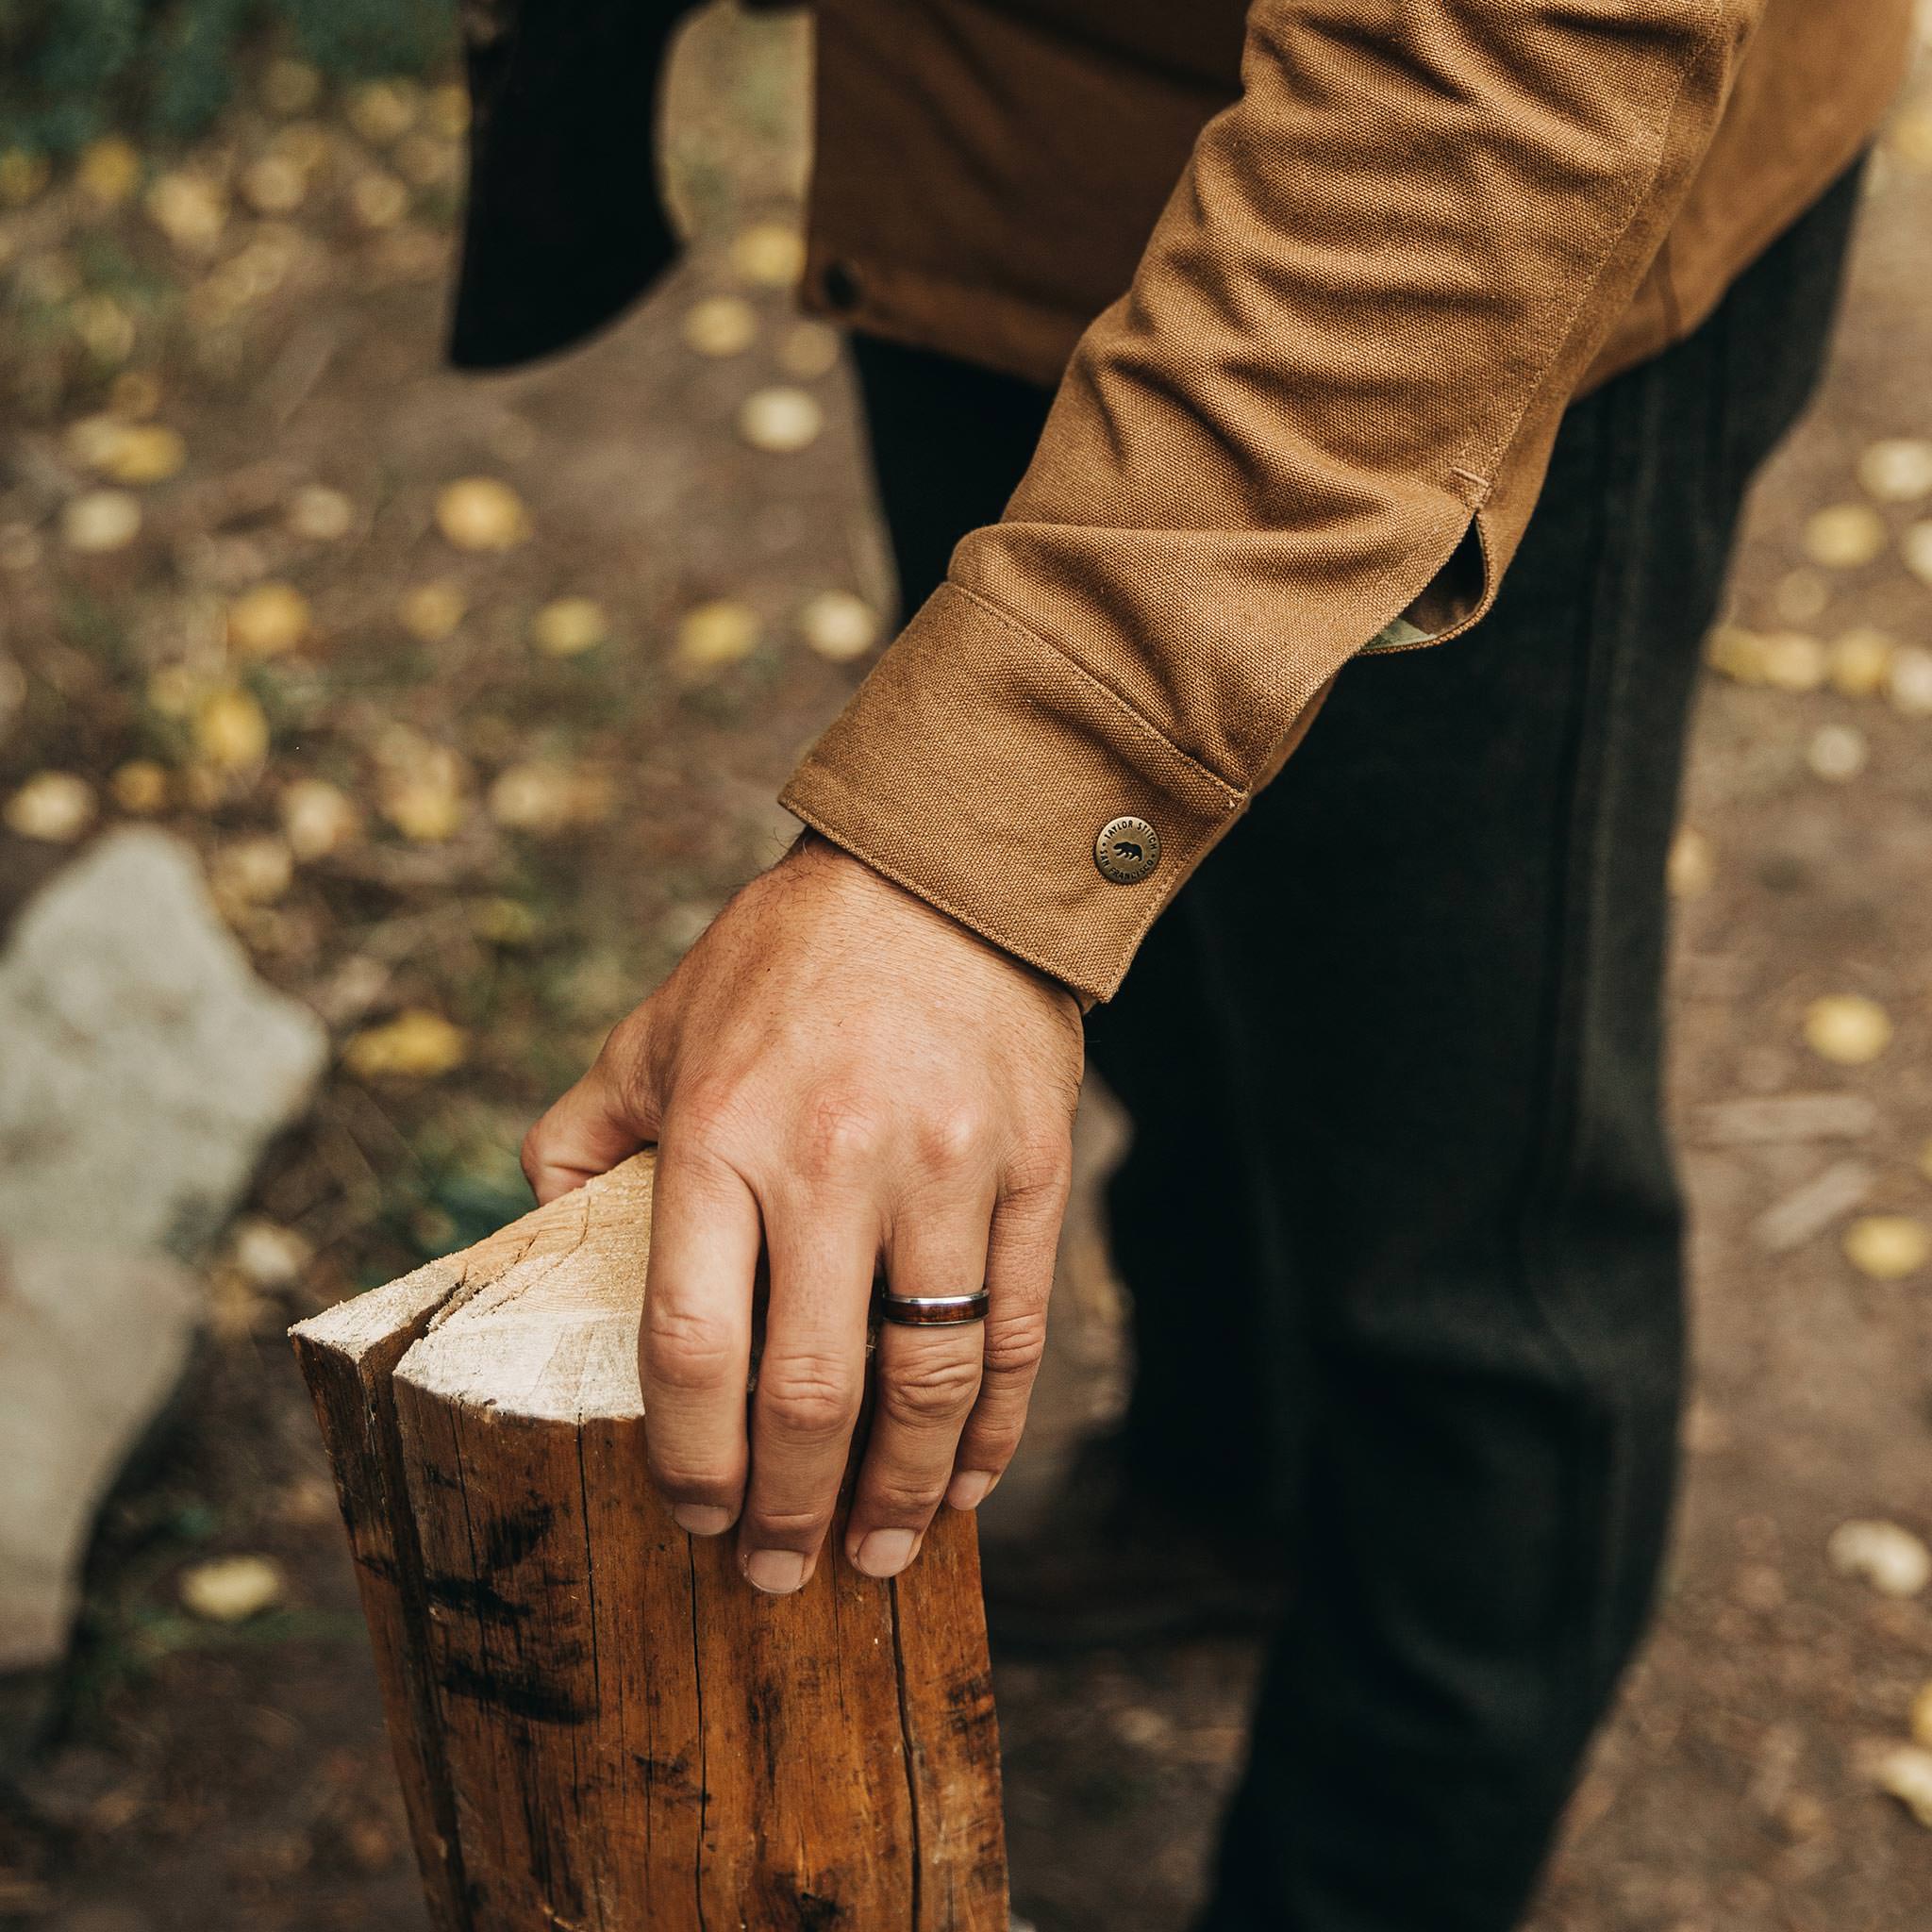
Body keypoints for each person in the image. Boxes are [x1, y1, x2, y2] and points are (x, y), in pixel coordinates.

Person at [473, 3, 1916, 1924]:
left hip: (1449, 241)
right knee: (1155, 990)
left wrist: (967, 851)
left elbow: (1512, 53)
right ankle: (1225, 1474)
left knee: (1468, 1261)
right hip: (986, 158)